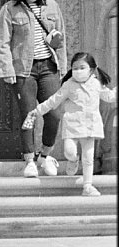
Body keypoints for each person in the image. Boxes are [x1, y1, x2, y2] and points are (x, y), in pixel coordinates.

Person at [0, 0, 67, 177]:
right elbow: (3, 42)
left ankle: (45, 156)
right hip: (24, 70)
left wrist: (62, 66)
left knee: (54, 114)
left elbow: (60, 39)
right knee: (28, 115)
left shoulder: (52, 7)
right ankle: (29, 160)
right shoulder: (9, 9)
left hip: (48, 67)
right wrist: (6, 69)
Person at [22, 52, 116, 196]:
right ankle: (73, 160)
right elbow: (53, 100)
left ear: (91, 69)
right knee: (70, 152)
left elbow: (109, 96)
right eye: (75, 68)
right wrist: (37, 111)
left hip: (90, 126)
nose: (78, 71)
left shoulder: (96, 84)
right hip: (72, 126)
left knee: (88, 157)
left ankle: (87, 186)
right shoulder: (69, 85)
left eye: (82, 67)